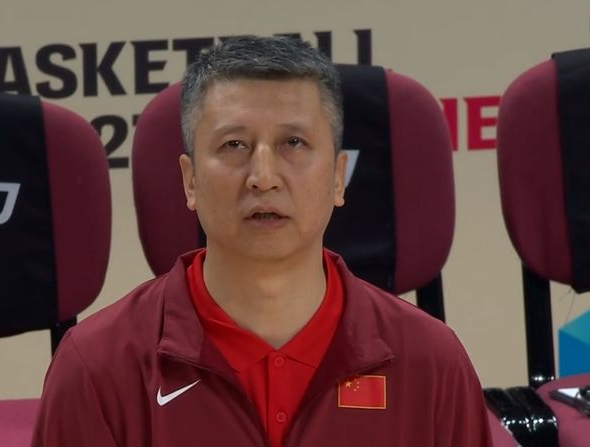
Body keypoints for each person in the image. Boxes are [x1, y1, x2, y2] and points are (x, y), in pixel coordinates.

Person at [32, 36, 492, 446]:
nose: (263, 177)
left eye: (294, 143)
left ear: (338, 177)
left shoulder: (432, 364)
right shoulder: (97, 369)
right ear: (190, 181)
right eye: (234, 145)